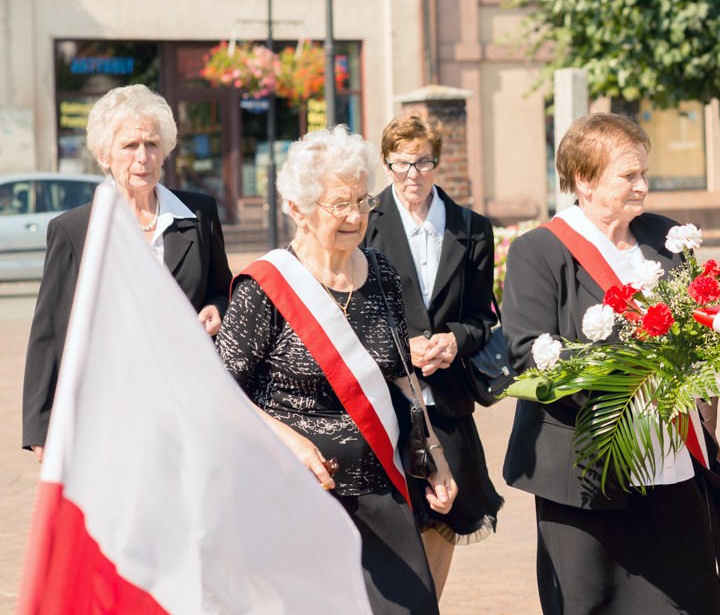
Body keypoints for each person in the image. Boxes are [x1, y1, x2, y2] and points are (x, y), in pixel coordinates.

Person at [216, 125, 457, 614]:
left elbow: (399, 379)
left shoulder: (382, 273)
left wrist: (434, 454)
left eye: (363, 202)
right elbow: (218, 392)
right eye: (339, 204)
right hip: (296, 501)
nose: (355, 216)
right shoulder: (264, 288)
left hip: (379, 489)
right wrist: (290, 441)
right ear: (298, 209)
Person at [502, 113, 720, 614]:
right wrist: (634, 381)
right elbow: (527, 355)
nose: (643, 186)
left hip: (671, 467)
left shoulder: (667, 238)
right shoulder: (538, 252)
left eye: (644, 173)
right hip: (584, 475)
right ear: (584, 179)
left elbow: (702, 330)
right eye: (629, 176)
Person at [22, 84, 231, 461]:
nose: (143, 158)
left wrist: (217, 308)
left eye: (152, 144)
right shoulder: (74, 229)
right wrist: (42, 426)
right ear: (104, 155)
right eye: (129, 146)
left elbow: (222, 289)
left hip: (190, 400)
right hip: (110, 406)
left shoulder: (199, 214)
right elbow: (50, 330)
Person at [363, 113, 503, 598]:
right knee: (393, 513)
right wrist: (403, 347)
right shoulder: (363, 221)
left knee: (447, 510)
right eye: (401, 163)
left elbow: (484, 318)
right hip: (385, 394)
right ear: (386, 165)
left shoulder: (472, 228)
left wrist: (453, 341)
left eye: (423, 162)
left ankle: (429, 606)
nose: (412, 175)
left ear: (438, 163)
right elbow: (346, 308)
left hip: (446, 396)